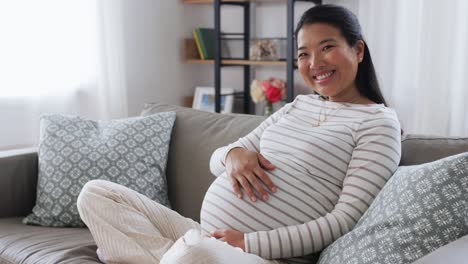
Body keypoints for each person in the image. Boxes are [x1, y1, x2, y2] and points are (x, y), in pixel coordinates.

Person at [77, 4, 401, 264]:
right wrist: (234, 156)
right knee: (95, 193)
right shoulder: (297, 106)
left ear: (358, 50)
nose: (314, 62)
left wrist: (246, 242)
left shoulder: (378, 125)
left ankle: (144, 254)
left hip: (262, 255)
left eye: (327, 47)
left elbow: (343, 221)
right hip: (211, 238)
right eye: (303, 53)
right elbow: (217, 159)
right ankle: (169, 256)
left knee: (194, 254)